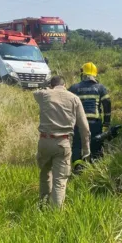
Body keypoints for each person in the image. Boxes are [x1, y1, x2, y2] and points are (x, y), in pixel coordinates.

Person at [33, 76, 90, 209]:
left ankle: (43, 203)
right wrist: (86, 149)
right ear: (65, 85)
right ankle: (55, 214)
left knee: (45, 172)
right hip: (63, 143)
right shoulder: (74, 98)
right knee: (59, 181)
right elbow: (85, 128)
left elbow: (35, 92)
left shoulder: (43, 95)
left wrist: (47, 87)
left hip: (44, 141)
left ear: (52, 85)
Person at [68, 62, 111, 172]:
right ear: (95, 75)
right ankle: (95, 168)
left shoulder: (74, 88)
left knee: (77, 145)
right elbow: (107, 105)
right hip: (95, 123)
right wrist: (106, 124)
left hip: (79, 123)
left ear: (83, 74)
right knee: (96, 143)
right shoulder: (101, 88)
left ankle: (78, 167)